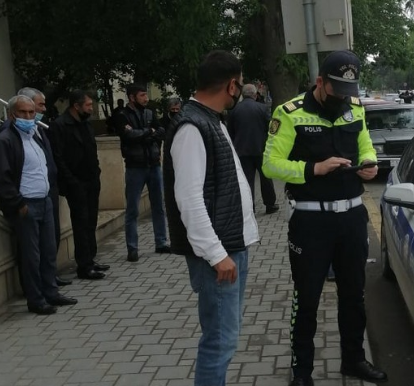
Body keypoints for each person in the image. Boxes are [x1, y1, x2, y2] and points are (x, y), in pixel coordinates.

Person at [262, 50, 387, 386]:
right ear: (320, 82)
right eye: (337, 90)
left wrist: (369, 163)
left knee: (354, 295)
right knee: (307, 299)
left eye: (349, 90)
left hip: (351, 217)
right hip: (310, 223)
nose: (344, 98)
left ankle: (354, 360)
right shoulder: (289, 113)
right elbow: (271, 164)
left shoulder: (355, 108)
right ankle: (302, 372)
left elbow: (365, 145)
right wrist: (313, 169)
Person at [163, 50, 259, 386]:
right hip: (218, 255)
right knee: (219, 341)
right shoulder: (192, 126)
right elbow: (188, 199)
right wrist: (217, 255)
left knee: (224, 337)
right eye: (242, 82)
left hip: (231, 246)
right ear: (232, 85)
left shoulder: (209, 119)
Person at [0, 95, 77, 315]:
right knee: (31, 256)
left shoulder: (35, 134)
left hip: (45, 200)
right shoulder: (6, 140)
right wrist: (18, 204)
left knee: (49, 251)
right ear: (12, 115)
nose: (29, 116)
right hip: (26, 205)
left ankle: (51, 292)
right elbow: (1, 178)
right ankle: (36, 299)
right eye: (23, 112)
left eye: (31, 112)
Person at [50, 90, 108, 280]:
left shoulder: (85, 124)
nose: (91, 108)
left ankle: (91, 259)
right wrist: (72, 182)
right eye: (89, 105)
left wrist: (97, 172)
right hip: (76, 183)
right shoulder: (60, 125)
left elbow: (91, 150)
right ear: (76, 106)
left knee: (91, 222)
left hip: (91, 180)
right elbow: (58, 157)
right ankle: (84, 266)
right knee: (81, 224)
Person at [114, 84, 171, 262]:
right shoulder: (122, 115)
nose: (146, 98)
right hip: (135, 167)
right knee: (132, 209)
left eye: (146, 95)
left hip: (153, 164)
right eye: (142, 95)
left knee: (158, 206)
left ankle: (161, 242)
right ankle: (132, 248)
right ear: (132, 97)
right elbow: (128, 136)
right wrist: (148, 132)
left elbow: (161, 131)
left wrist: (145, 133)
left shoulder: (149, 113)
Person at [227, 84, 279, 214]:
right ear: (255, 95)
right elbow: (272, 128)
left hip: (242, 151)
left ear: (243, 95)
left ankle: (250, 207)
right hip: (261, 148)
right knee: (266, 177)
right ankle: (270, 204)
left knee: (247, 180)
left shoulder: (234, 110)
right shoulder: (262, 108)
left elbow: (230, 132)